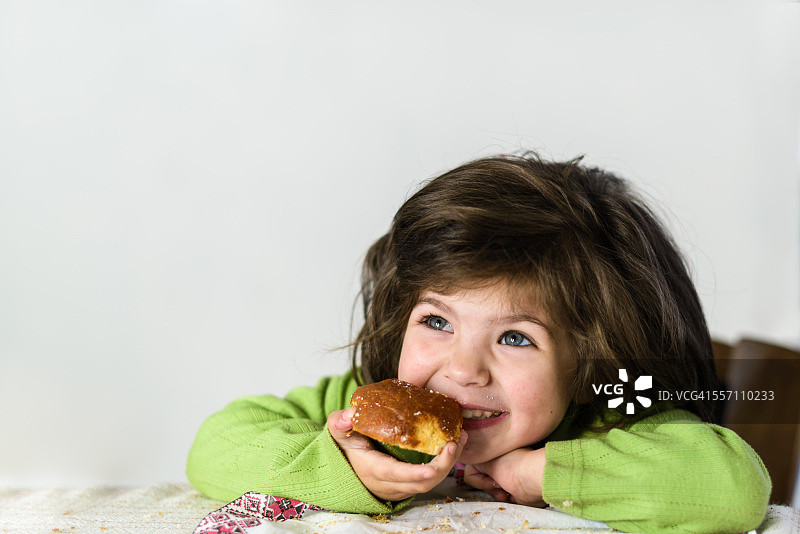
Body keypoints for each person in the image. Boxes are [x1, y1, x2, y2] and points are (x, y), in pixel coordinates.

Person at [187, 153, 771, 533]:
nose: (463, 369)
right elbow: (214, 448)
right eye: (437, 322)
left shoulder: (607, 421)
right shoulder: (368, 410)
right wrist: (344, 466)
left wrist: (541, 474)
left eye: (515, 337)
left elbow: (735, 489)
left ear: (588, 363)